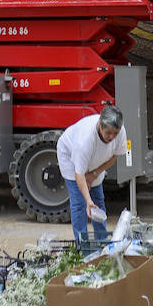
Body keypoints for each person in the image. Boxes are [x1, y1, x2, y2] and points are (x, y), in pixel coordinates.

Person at [56, 104, 128, 245]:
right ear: (100, 125)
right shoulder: (85, 140)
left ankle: (102, 240)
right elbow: (79, 174)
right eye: (108, 133)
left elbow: (115, 155)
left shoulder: (119, 131)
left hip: (96, 161)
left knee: (99, 200)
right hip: (70, 157)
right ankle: (82, 245)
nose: (112, 137)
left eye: (115, 133)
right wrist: (88, 201)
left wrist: (94, 174)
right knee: (79, 203)